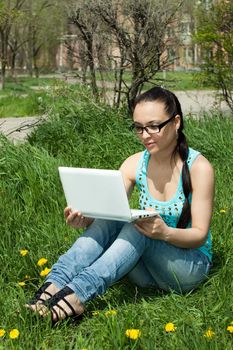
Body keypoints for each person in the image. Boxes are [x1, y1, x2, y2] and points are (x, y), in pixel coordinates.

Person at [27, 86, 215, 322]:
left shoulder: (199, 168)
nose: (145, 135)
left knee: (141, 227)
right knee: (113, 218)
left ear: (176, 122)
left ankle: (76, 296)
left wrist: (164, 233)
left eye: (154, 126)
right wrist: (86, 218)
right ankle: (52, 287)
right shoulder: (135, 163)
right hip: (145, 272)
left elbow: (199, 235)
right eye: (138, 128)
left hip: (188, 267)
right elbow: (109, 214)